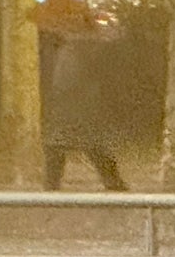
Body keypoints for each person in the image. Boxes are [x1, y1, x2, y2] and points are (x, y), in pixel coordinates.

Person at [44, 19, 128, 192]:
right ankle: (114, 183)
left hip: (74, 104)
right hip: (77, 104)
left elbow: (62, 81)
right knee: (87, 145)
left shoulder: (78, 49)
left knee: (64, 145)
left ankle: (51, 186)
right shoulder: (81, 48)